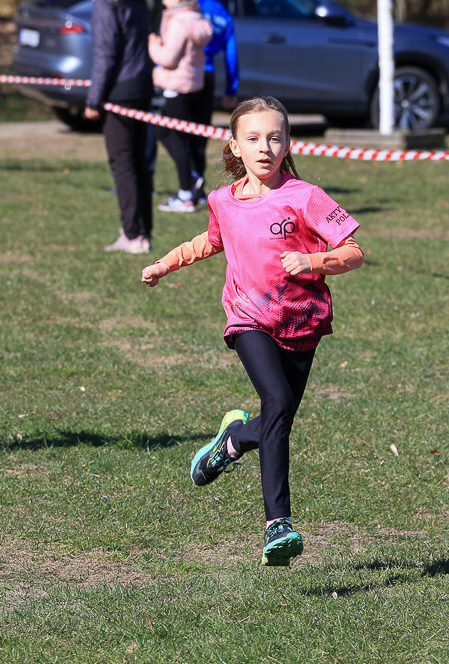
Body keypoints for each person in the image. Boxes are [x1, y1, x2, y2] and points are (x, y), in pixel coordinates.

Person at [141, 96, 364, 566]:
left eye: (274, 138)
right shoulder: (222, 200)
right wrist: (164, 264)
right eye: (254, 138)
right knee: (277, 401)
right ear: (235, 146)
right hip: (248, 317)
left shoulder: (305, 197)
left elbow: (353, 252)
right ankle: (277, 523)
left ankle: (234, 440)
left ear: (287, 144)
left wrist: (313, 260)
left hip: (301, 319)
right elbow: (211, 241)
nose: (264, 147)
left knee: (277, 420)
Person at [83, 0, 155, 255]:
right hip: (141, 86)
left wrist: (94, 99)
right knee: (138, 162)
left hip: (121, 91)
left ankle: (133, 234)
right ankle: (143, 232)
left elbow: (106, 53)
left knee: (123, 164)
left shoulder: (107, 0)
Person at [148, 0, 212, 214]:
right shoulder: (197, 17)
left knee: (169, 134)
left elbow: (168, 59)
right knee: (188, 138)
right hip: (193, 84)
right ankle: (195, 185)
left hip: (175, 86)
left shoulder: (178, 22)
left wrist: (153, 46)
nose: (163, 0)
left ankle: (187, 190)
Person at [191, 0, 238, 205]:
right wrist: (231, 88)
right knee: (200, 134)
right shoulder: (222, 12)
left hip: (189, 73)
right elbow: (231, 54)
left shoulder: (192, 5)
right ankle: (197, 185)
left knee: (179, 131)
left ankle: (188, 184)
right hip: (209, 76)